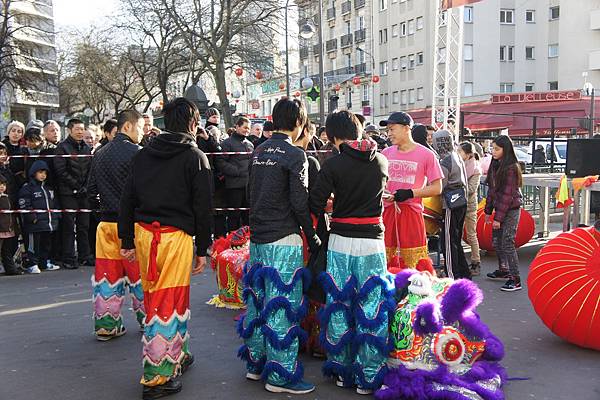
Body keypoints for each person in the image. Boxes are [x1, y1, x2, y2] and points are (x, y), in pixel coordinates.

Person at [118, 97, 213, 399]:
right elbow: (203, 208)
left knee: (165, 298)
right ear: (193, 122)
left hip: (146, 235)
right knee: (166, 302)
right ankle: (156, 376)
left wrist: (127, 240)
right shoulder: (195, 157)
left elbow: (127, 199)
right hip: (173, 238)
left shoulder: (143, 155)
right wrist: (204, 247)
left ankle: (176, 355)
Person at [240, 98, 319, 395]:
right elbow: (300, 202)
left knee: (257, 303)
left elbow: (251, 193)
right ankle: (281, 376)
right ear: (299, 123)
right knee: (282, 307)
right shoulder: (295, 155)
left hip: (258, 237)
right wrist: (311, 235)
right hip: (283, 239)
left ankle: (255, 363)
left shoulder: (257, 151)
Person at [310, 110, 391, 395]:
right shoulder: (381, 160)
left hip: (341, 241)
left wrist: (333, 204)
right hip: (373, 243)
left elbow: (315, 201)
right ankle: (369, 375)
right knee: (372, 308)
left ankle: (343, 370)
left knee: (340, 304)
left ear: (333, 137)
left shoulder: (333, 165)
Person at [88, 110, 146, 341]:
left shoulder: (99, 153)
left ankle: (106, 324)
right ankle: (147, 319)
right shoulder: (139, 154)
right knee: (140, 276)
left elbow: (91, 191)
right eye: (141, 127)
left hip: (106, 224)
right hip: (133, 226)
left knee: (107, 276)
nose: (143, 132)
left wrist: (100, 211)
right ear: (128, 127)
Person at [381, 112, 443, 270]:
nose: (389, 134)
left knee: (415, 262)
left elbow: (437, 187)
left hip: (411, 213)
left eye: (392, 129)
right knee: (385, 258)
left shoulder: (427, 155)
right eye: (388, 130)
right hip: (387, 213)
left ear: (406, 128)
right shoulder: (385, 154)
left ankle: (416, 292)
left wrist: (410, 193)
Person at [484, 135, 523, 292]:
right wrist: (488, 211)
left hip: (511, 210)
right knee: (496, 241)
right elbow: (492, 191)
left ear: (505, 150)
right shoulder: (495, 165)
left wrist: (498, 218)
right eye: (492, 148)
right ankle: (504, 270)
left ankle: (516, 278)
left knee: (507, 242)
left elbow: (507, 196)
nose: (493, 151)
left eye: (497, 149)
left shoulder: (511, 168)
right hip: (501, 208)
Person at [54, 118, 93, 269]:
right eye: (77, 129)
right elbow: (61, 171)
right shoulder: (62, 148)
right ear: (70, 130)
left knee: (84, 226)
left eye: (82, 129)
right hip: (68, 193)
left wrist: (85, 187)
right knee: (69, 226)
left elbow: (91, 169)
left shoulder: (86, 148)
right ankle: (69, 257)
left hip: (84, 193)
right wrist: (76, 186)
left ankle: (85, 255)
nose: (80, 132)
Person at [432, 130, 470, 280]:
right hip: (461, 201)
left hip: (450, 203)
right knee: (456, 240)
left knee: (448, 241)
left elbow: (440, 185)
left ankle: (452, 276)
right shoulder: (456, 156)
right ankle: (464, 273)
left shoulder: (445, 161)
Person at [18, 161, 61, 274]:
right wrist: (32, 217)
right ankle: (32, 264)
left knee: (46, 245)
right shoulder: (27, 188)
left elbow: (55, 204)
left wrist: (56, 216)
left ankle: (44, 263)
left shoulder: (49, 189)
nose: (43, 175)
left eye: (45, 173)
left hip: (48, 223)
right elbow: (24, 204)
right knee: (33, 246)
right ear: (34, 173)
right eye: (40, 172)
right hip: (34, 224)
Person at [216, 116, 253, 231]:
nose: (247, 130)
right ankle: (232, 242)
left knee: (247, 216)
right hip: (234, 186)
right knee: (234, 217)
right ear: (237, 126)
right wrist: (237, 171)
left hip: (248, 186)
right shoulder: (227, 143)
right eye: (245, 127)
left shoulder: (250, 144)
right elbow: (220, 161)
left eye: (248, 128)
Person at [459, 142, 482, 276]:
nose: (458, 154)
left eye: (460, 152)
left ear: (468, 155)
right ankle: (460, 260)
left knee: (471, 234)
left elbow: (472, 189)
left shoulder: (475, 169)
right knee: (458, 234)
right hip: (458, 204)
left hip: (469, 206)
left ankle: (476, 261)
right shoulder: (461, 166)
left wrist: (457, 187)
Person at [0, 143, 22, 275]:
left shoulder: (8, 170)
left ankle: (10, 268)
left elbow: (13, 188)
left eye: (4, 153)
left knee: (8, 248)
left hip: (9, 217)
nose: (2, 156)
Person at [2, 121, 27, 186]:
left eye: (19, 132)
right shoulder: (2, 147)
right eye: (13, 130)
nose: (16, 134)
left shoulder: (24, 149)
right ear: (8, 132)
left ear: (22, 135)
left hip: (19, 182)